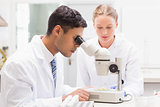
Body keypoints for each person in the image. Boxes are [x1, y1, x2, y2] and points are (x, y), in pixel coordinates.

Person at [0, 5, 89, 107]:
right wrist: (63, 100)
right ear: (57, 31)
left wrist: (81, 92)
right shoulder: (18, 64)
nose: (78, 45)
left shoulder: (56, 57)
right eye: (75, 38)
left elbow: (55, 90)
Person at [76, 4, 144, 97]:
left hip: (121, 102)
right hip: (94, 102)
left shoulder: (129, 49)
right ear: (94, 26)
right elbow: (82, 85)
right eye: (100, 27)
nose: (104, 32)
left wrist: (120, 93)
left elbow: (136, 86)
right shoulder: (85, 51)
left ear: (116, 25)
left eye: (109, 27)